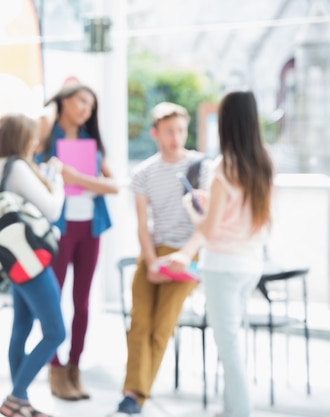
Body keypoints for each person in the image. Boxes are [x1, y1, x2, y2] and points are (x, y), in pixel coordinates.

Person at [167, 90, 274, 417]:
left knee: (228, 349)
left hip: (222, 267)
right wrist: (211, 204)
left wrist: (191, 207)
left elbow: (210, 230)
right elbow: (245, 215)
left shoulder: (224, 167)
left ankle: (238, 412)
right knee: (232, 343)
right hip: (250, 264)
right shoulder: (263, 162)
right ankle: (230, 409)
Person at [108, 102, 210, 416]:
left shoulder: (202, 167)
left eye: (180, 130)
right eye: (169, 131)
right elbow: (142, 223)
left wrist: (185, 254)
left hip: (186, 255)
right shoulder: (143, 173)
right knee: (139, 323)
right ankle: (133, 395)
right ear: (155, 133)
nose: (176, 137)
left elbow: (207, 222)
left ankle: (133, 397)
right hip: (153, 252)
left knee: (161, 326)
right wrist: (151, 262)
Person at [35, 83, 119, 401]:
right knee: (53, 300)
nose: (86, 108)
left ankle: (74, 367)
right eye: (81, 100)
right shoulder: (46, 135)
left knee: (82, 302)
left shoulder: (90, 141)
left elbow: (113, 186)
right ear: (64, 102)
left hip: (89, 229)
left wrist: (77, 177)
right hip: (59, 229)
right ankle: (55, 369)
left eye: (91, 105)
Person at [0, 113, 66, 417]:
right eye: (32, 136)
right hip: (32, 260)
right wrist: (55, 178)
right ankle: (16, 397)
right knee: (56, 332)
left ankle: (20, 402)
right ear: (22, 138)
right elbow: (51, 208)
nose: (37, 141)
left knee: (21, 326)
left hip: (14, 260)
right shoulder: (19, 167)